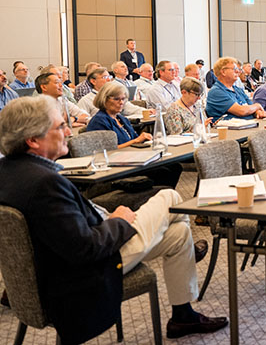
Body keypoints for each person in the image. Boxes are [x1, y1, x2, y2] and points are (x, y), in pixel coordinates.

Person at [0, 96, 227, 343]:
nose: (69, 132)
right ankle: (187, 282)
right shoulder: (45, 184)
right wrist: (119, 221)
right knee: (170, 197)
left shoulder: (10, 172)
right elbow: (86, 249)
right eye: (61, 126)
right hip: (85, 273)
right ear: (33, 140)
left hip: (53, 269)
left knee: (178, 235)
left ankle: (183, 315)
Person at [85, 82, 153, 148]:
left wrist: (143, 138)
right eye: (116, 99)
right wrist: (136, 141)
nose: (121, 102)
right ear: (104, 99)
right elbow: (106, 150)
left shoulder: (122, 119)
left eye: (123, 99)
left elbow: (135, 138)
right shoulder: (98, 121)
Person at [206, 57, 266, 121]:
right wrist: (257, 105)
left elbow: (252, 107)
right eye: (234, 69)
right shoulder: (216, 92)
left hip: (250, 124)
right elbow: (241, 111)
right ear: (223, 72)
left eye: (237, 69)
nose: (238, 71)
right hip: (230, 126)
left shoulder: (238, 90)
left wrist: (258, 112)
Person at [78, 67, 143, 118]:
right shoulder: (85, 100)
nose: (109, 79)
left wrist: (146, 112)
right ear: (93, 81)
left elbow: (131, 108)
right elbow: (83, 119)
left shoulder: (117, 96)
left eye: (109, 77)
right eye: (105, 77)